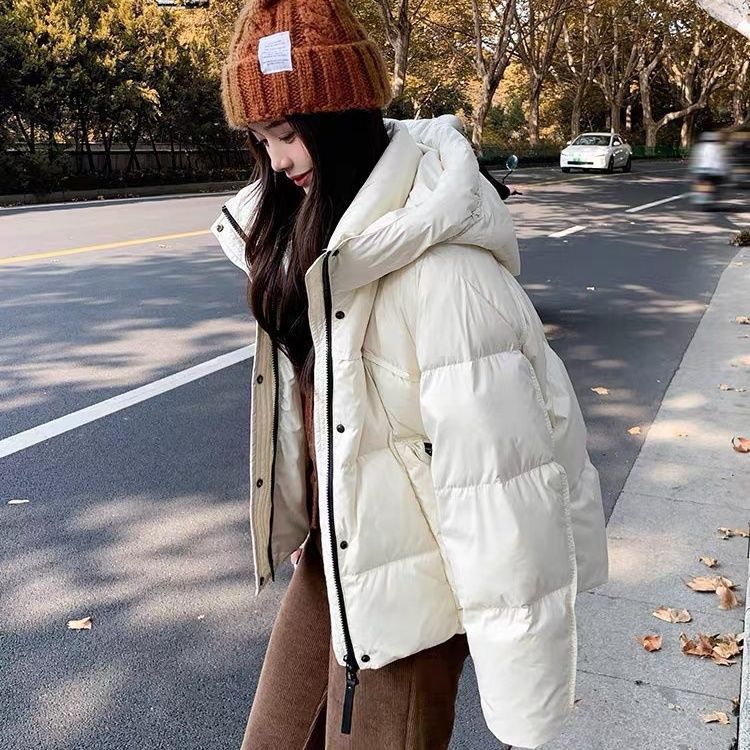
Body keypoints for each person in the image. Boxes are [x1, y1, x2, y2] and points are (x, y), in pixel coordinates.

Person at [211, 0, 608, 748]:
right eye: (262, 140)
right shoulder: (311, 247)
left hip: (419, 587)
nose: (279, 161)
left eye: (289, 134)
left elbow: (502, 485)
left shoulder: (448, 273)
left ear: (342, 120)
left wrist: (523, 682)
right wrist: (310, 507)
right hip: (336, 555)